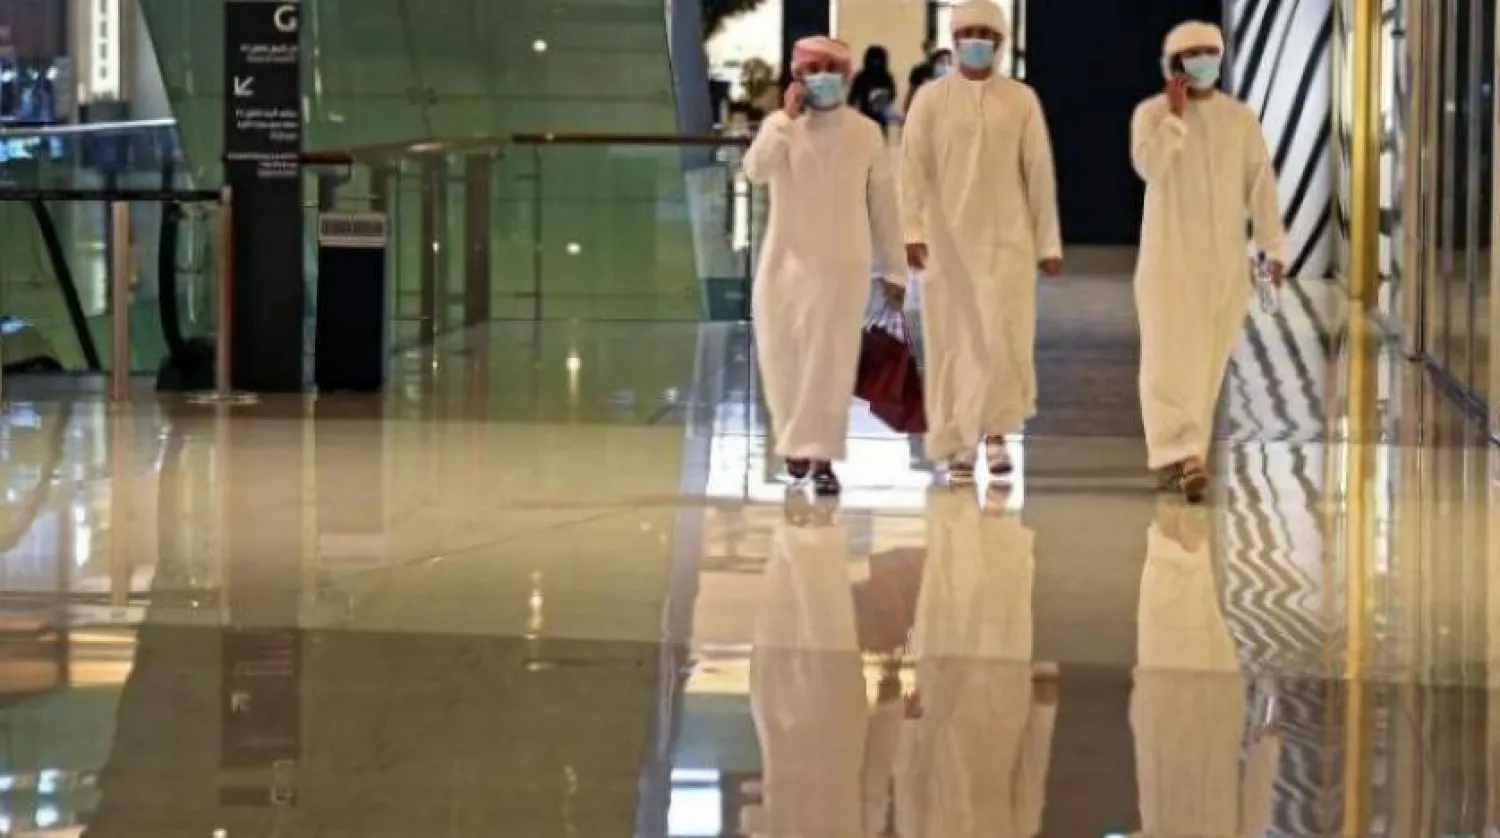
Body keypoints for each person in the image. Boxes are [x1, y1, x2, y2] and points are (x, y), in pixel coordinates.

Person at [901, 0, 1063, 483]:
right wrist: (911, 232)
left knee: (1000, 338)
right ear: (952, 40)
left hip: (1006, 243)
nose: (975, 41)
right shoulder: (931, 100)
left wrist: (1047, 242)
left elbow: (1039, 172)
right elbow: (911, 170)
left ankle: (995, 435)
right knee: (952, 342)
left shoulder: (1021, 100)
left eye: (984, 33)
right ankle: (957, 442)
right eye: (966, 32)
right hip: (946, 246)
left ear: (1000, 42)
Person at [743, 35, 908, 496]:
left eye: (831, 68)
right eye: (812, 69)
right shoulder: (782, 127)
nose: (823, 78)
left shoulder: (864, 133)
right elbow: (755, 171)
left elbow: (884, 207)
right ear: (797, 77)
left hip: (842, 268)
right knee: (783, 360)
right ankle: (795, 442)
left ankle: (821, 457)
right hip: (784, 266)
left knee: (830, 363)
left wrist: (895, 270)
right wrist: (782, 118)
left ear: (847, 74)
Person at [1130, 21, 1285, 503]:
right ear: (1172, 63)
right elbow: (1148, 166)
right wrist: (1175, 118)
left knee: (1206, 363)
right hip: (1167, 261)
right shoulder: (1150, 113)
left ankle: (1183, 453)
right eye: (1191, 53)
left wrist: (1272, 248)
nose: (1202, 61)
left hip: (1223, 266)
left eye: (1209, 52)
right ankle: (1184, 452)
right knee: (1166, 359)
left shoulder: (1239, 119)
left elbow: (1260, 185)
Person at [848, 45, 899, 134]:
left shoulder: (886, 76)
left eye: (878, 60)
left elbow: (893, 94)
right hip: (864, 116)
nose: (875, 63)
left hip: (881, 117)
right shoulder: (861, 77)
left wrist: (881, 97)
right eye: (873, 59)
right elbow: (851, 98)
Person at [904, 42, 952, 116]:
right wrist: (906, 113)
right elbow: (911, 93)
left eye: (949, 63)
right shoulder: (920, 71)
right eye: (942, 62)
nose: (946, 66)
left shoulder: (952, 80)